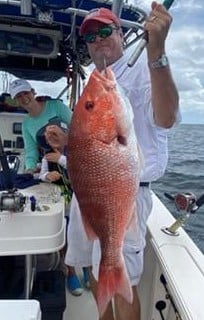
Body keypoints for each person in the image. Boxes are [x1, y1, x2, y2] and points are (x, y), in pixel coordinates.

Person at [46, 3, 180, 319]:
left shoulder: (145, 69)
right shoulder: (99, 78)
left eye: (106, 31)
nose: (98, 39)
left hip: (124, 193)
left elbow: (167, 117)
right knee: (97, 269)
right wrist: (67, 143)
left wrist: (157, 53)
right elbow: (95, 138)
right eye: (91, 36)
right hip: (91, 193)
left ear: (121, 34)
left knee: (125, 282)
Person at [40, 122, 90, 296]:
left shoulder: (79, 151)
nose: (52, 137)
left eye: (56, 133)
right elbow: (42, 175)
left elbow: (82, 170)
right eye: (48, 135)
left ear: (66, 135)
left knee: (84, 237)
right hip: (61, 204)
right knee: (65, 240)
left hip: (81, 204)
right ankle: (70, 272)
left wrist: (60, 159)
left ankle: (87, 269)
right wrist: (47, 175)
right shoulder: (46, 157)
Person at [9, 79, 72, 174]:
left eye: (26, 93)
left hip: (73, 157)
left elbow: (78, 128)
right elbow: (31, 151)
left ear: (33, 92)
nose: (23, 97)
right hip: (51, 164)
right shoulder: (26, 124)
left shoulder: (57, 106)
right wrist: (30, 169)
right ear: (16, 101)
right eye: (18, 96)